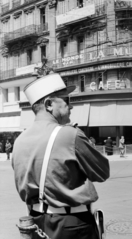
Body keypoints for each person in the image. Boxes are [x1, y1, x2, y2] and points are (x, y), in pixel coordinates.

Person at [12, 73, 110, 239]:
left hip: (36, 222)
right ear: (49, 104)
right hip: (72, 224)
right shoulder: (69, 135)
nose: (70, 106)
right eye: (66, 100)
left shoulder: (19, 140)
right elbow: (102, 172)